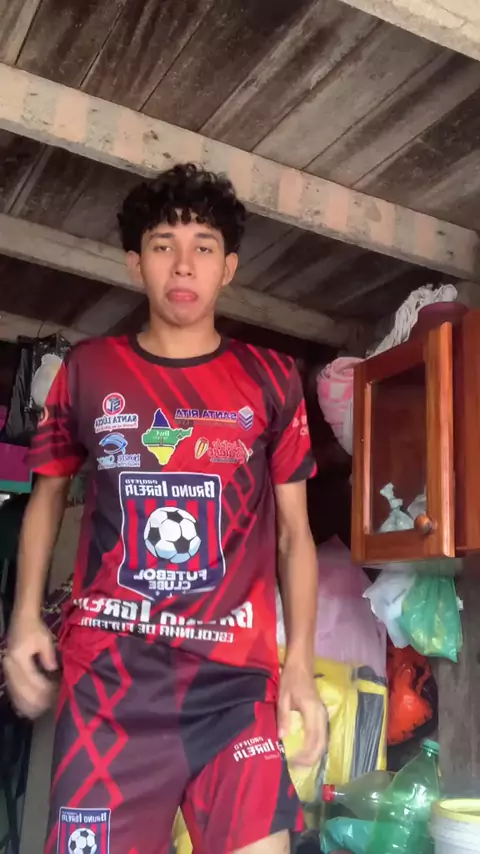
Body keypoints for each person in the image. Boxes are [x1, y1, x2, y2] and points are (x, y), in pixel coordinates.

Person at [5, 164, 327, 854]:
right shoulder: (88, 370)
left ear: (228, 267)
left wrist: (299, 662)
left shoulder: (271, 379)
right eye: (162, 245)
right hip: (110, 684)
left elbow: (296, 536)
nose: (184, 264)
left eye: (203, 246)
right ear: (136, 262)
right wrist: (25, 617)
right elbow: (48, 496)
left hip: (234, 687)